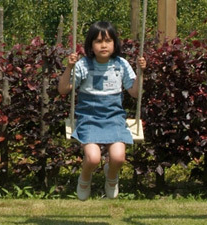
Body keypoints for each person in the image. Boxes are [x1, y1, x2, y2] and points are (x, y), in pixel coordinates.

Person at [58, 21, 146, 201]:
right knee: (92, 158)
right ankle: (85, 178)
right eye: (98, 41)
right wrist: (69, 67)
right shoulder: (83, 65)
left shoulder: (121, 65)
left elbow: (135, 93)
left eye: (108, 41)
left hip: (114, 118)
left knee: (119, 157)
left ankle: (111, 176)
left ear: (115, 43)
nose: (103, 45)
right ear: (91, 44)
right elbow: (63, 89)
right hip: (89, 118)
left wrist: (141, 72)